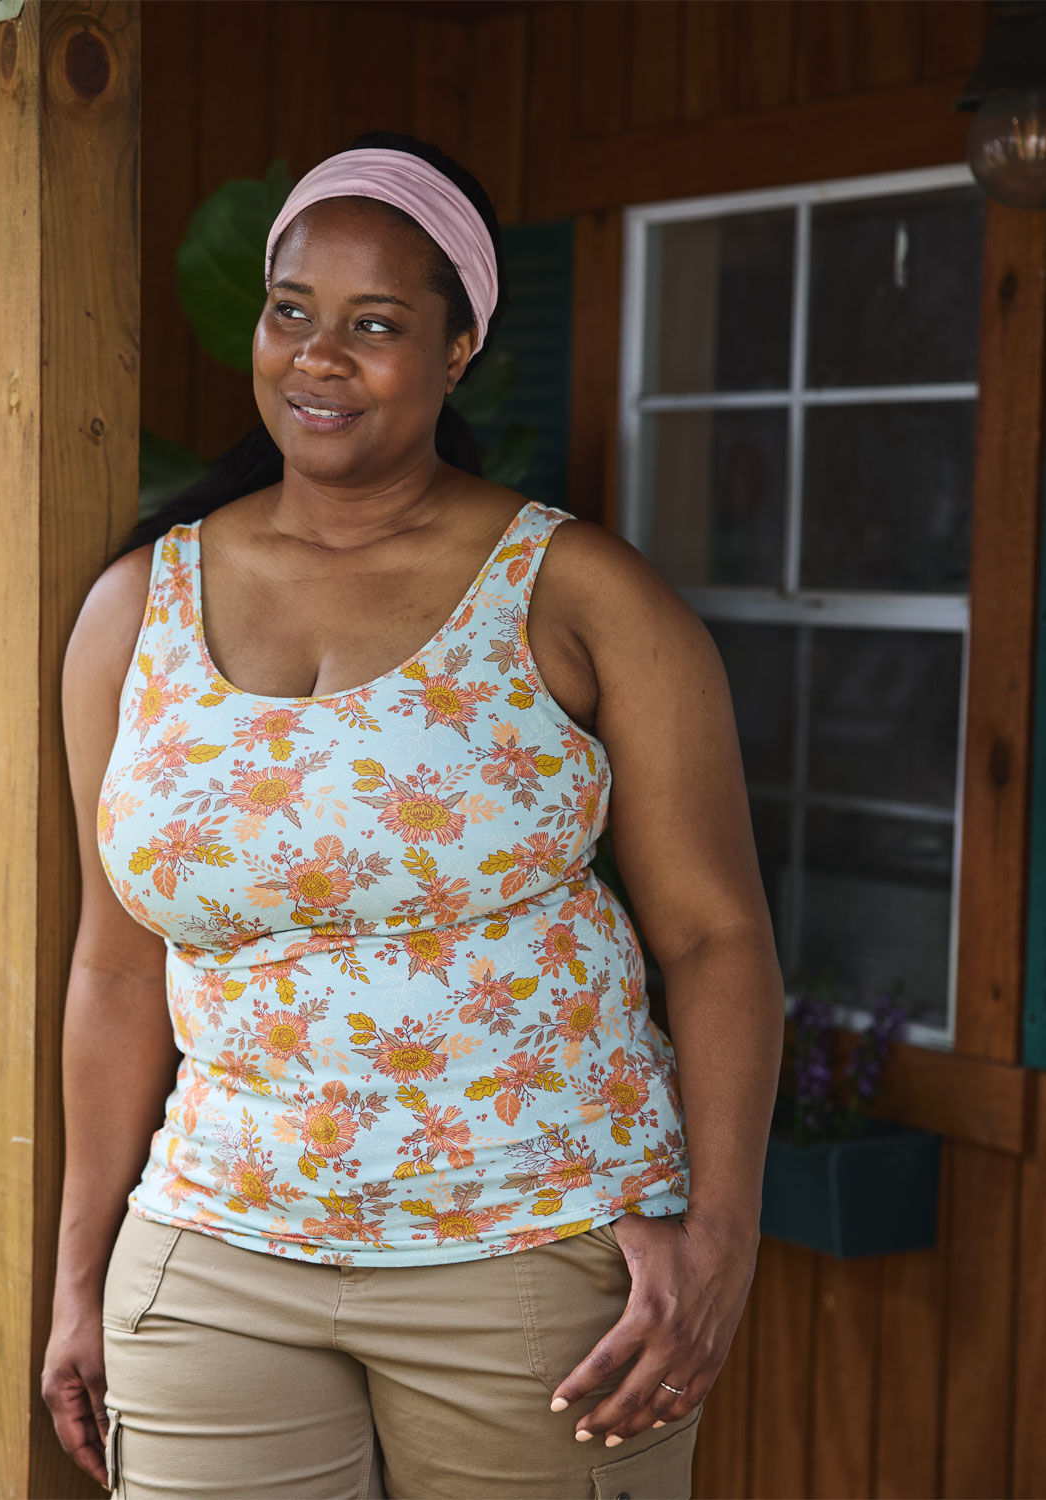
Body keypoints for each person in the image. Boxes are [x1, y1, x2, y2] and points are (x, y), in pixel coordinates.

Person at [42, 130, 785, 1499]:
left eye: (376, 324)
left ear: (456, 353)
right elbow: (115, 959)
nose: (319, 358)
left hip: (536, 1262)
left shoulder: (576, 592)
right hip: (215, 1254)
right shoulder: (133, 608)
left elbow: (719, 937)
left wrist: (724, 1236)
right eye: (291, 313)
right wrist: (80, 1274)